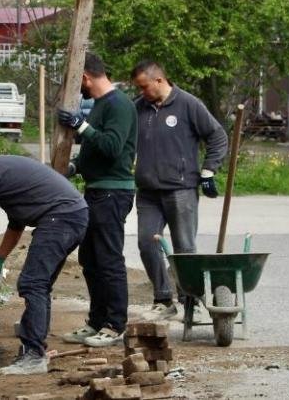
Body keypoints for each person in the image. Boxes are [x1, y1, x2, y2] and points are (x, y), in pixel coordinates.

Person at [0, 138, 88, 375]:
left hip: (60, 218)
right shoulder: (1, 167)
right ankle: (34, 345)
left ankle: (33, 355)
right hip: (73, 215)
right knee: (39, 284)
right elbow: (17, 222)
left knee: (32, 283)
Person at [130, 60, 228, 320]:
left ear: (159, 80)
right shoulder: (138, 108)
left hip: (181, 190)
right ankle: (163, 299)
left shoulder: (188, 104)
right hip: (148, 192)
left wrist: (208, 171)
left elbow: (217, 136)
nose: (141, 92)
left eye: (144, 86)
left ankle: (189, 300)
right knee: (146, 243)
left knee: (184, 248)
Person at [56, 53, 137, 347]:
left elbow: (113, 146)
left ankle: (115, 325)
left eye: (76, 82)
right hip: (96, 190)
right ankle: (96, 321)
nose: (77, 90)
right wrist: (75, 166)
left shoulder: (120, 105)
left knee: (109, 259)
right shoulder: (102, 105)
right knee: (89, 258)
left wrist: (81, 125)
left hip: (113, 192)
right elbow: (94, 148)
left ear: (86, 78)